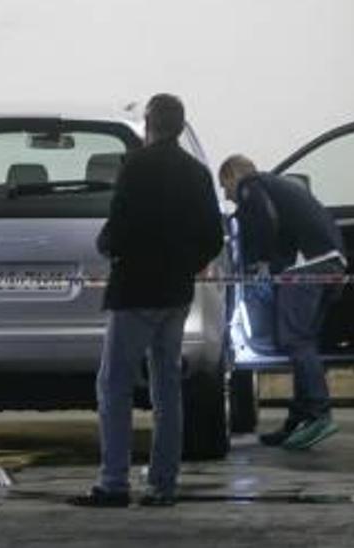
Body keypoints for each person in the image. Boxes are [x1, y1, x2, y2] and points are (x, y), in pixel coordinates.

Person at [69, 94, 224, 508]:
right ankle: (162, 485)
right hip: (176, 294)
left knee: (114, 386)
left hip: (136, 290)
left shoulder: (136, 166)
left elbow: (119, 226)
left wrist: (107, 247)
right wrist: (184, 266)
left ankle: (114, 483)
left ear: (150, 123)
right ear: (180, 124)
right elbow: (214, 236)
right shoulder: (196, 172)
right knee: (167, 389)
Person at [218, 154, 346, 450]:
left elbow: (265, 220)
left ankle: (319, 412)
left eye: (225, 186)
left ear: (233, 177)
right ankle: (298, 420)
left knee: (296, 340)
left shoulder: (252, 186)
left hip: (307, 267)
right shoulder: (277, 187)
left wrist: (260, 263)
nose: (227, 195)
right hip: (330, 262)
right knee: (303, 342)